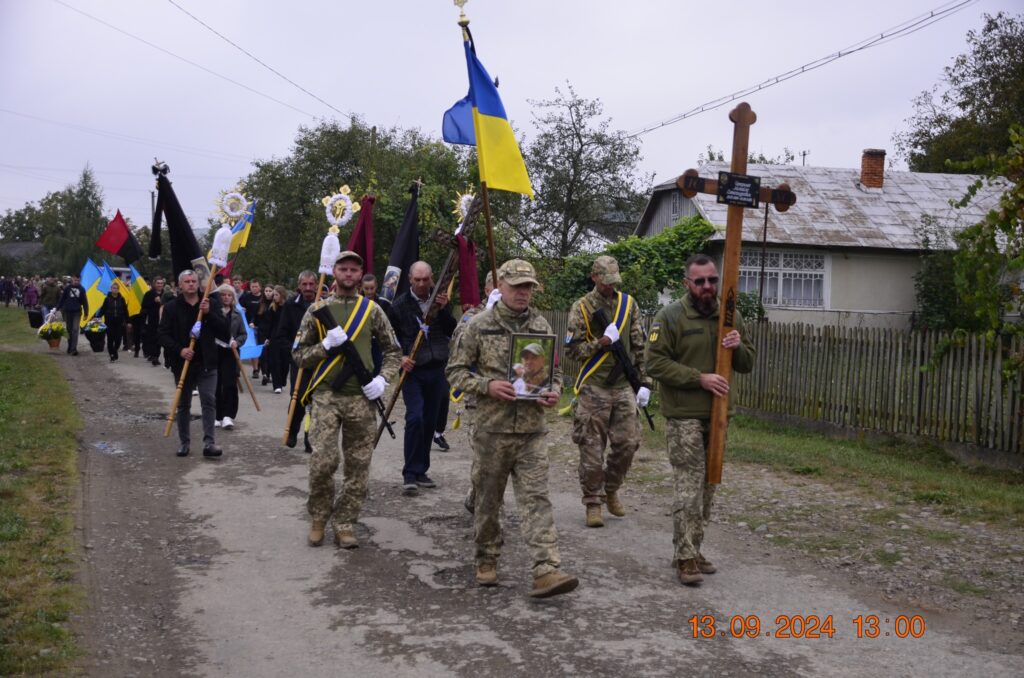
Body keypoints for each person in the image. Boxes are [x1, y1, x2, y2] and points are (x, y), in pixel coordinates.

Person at [446, 259, 579, 598]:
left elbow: (555, 373)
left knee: (536, 499)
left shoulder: (541, 326)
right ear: (500, 287)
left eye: (528, 287)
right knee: (489, 500)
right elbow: (456, 372)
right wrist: (487, 386)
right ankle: (486, 558)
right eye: (517, 286)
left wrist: (553, 391)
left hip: (532, 430)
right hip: (492, 430)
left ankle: (546, 568)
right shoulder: (478, 326)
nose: (523, 293)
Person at [645, 254, 756, 586]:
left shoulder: (730, 315)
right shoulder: (670, 317)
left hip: (719, 416)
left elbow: (747, 364)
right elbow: (655, 363)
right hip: (684, 417)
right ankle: (685, 558)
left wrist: (737, 347)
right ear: (687, 284)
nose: (708, 286)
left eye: (712, 280)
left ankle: (693, 546)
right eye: (700, 281)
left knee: (708, 488)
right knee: (689, 487)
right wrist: (700, 378)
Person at [292, 251, 401, 549]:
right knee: (323, 461)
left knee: (358, 466)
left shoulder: (372, 310)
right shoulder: (317, 309)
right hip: (326, 395)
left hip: (361, 399)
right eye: (344, 269)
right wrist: (325, 346)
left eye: (354, 269)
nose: (349, 274)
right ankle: (318, 518)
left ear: (361, 273)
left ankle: (345, 523)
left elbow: (393, 351)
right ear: (335, 271)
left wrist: (382, 380)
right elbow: (299, 355)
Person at [565, 255, 651, 528]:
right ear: (594, 278)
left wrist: (644, 381)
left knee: (629, 442)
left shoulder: (628, 304)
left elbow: (639, 344)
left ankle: (611, 487)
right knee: (591, 448)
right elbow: (572, 350)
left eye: (614, 282)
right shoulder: (582, 307)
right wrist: (600, 343)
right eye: (605, 282)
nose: (610, 287)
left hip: (624, 385)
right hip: (594, 387)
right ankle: (593, 501)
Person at [389, 261, 457, 495]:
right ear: (409, 279)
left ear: (431, 279)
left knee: (430, 421)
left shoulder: (440, 301)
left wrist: (445, 309)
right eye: (417, 280)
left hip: (437, 367)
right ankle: (409, 473)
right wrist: (401, 357)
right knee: (415, 418)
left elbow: (452, 330)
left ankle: (421, 470)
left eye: (425, 279)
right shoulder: (398, 306)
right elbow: (391, 339)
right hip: (413, 371)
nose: (421, 284)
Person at [158, 270, 230, 458]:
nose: (191, 284)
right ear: (180, 285)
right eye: (187, 281)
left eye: (194, 281)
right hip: (183, 364)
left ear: (199, 284)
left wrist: (208, 314)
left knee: (209, 401)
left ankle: (209, 443)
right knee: (183, 405)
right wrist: (180, 349)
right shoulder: (172, 307)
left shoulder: (210, 304)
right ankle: (184, 443)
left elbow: (224, 332)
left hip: (207, 362)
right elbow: (163, 335)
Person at [273, 271, 319, 451]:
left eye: (311, 284)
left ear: (316, 285)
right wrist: (293, 353)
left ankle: (310, 437)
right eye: (304, 284)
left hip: (320, 359)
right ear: (299, 286)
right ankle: (292, 430)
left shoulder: (323, 304)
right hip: (299, 360)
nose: (308, 288)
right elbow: (281, 334)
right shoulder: (291, 306)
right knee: (299, 398)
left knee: (316, 400)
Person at [212, 284, 248, 430]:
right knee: (215, 383)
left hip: (231, 353)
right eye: (223, 295)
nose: (226, 298)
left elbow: (243, 334)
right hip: (215, 352)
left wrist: (237, 342)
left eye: (229, 295)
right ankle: (217, 415)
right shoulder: (214, 313)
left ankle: (228, 415)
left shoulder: (237, 315)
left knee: (229, 384)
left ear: (233, 298)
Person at [57, 274, 89, 356]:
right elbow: (62, 299)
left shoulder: (82, 289)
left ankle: (74, 349)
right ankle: (70, 346)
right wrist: (57, 308)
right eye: (75, 280)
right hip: (68, 312)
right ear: (72, 279)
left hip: (77, 312)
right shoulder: (67, 288)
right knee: (69, 330)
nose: (76, 282)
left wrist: (86, 313)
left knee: (75, 330)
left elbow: (85, 302)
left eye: (78, 280)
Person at [97, 281, 129, 362]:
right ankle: (112, 354)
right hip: (109, 322)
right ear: (111, 289)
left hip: (119, 322)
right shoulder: (107, 299)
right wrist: (97, 317)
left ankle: (115, 350)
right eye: (113, 288)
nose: (115, 290)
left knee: (118, 339)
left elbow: (125, 311)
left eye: (116, 288)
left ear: (118, 290)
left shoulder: (122, 299)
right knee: (110, 339)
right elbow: (103, 309)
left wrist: (128, 321)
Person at [255, 285, 279, 388]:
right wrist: (252, 323)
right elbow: (256, 317)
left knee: (271, 354)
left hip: (272, 332)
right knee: (263, 353)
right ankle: (265, 374)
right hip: (262, 331)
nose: (268, 293)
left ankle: (268, 374)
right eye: (266, 291)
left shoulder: (276, 304)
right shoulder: (261, 304)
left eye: (270, 291)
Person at [239, 279, 263, 379]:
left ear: (260, 287)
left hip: (260, 325)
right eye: (252, 286)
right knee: (253, 347)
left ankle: (261, 366)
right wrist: (242, 309)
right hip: (249, 327)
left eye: (256, 286)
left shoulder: (263, 297)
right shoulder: (245, 297)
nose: (254, 288)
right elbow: (238, 306)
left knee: (260, 348)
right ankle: (255, 369)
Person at [141, 277, 166, 366]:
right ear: (154, 284)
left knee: (160, 338)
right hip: (152, 320)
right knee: (152, 338)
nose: (160, 285)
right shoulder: (149, 294)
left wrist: (162, 301)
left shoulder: (165, 294)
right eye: (158, 283)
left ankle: (156, 356)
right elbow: (143, 305)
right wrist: (153, 301)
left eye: (161, 283)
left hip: (163, 320)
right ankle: (153, 355)